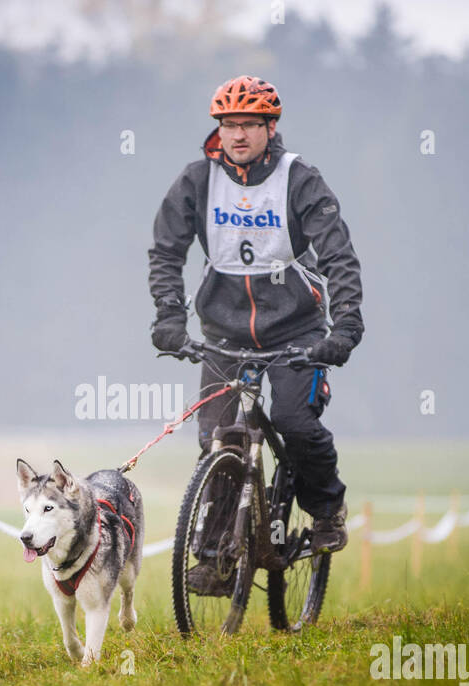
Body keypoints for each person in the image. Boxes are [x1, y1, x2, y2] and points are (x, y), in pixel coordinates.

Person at [147, 75, 363, 584]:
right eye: (228, 125)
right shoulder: (196, 181)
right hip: (223, 333)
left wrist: (346, 327)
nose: (237, 134)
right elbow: (166, 251)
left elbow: (339, 256)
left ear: (270, 127)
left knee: (294, 422)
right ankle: (219, 556)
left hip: (297, 332)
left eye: (248, 124)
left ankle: (328, 509)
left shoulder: (300, 180)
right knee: (221, 441)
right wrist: (169, 316)